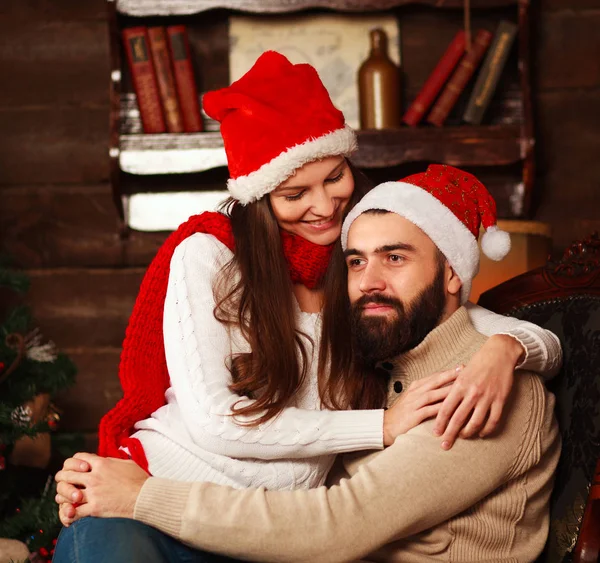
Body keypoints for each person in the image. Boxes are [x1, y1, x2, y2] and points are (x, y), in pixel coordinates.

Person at [54, 165, 561, 562]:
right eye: (357, 261)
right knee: (102, 533)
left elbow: (340, 523)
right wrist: (119, 484)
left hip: (331, 545)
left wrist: (145, 496)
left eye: (396, 258)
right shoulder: (380, 358)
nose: (369, 281)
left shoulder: (478, 387)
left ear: (452, 273)